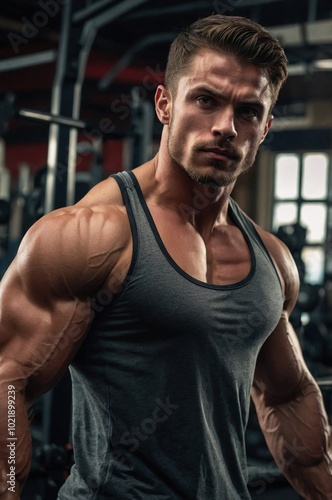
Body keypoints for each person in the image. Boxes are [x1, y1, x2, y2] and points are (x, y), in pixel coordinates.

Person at [0, 13, 332, 500]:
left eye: (248, 112)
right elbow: (8, 381)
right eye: (206, 100)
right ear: (165, 104)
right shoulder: (94, 235)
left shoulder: (272, 260)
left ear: (264, 128)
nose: (225, 127)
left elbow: (288, 395)